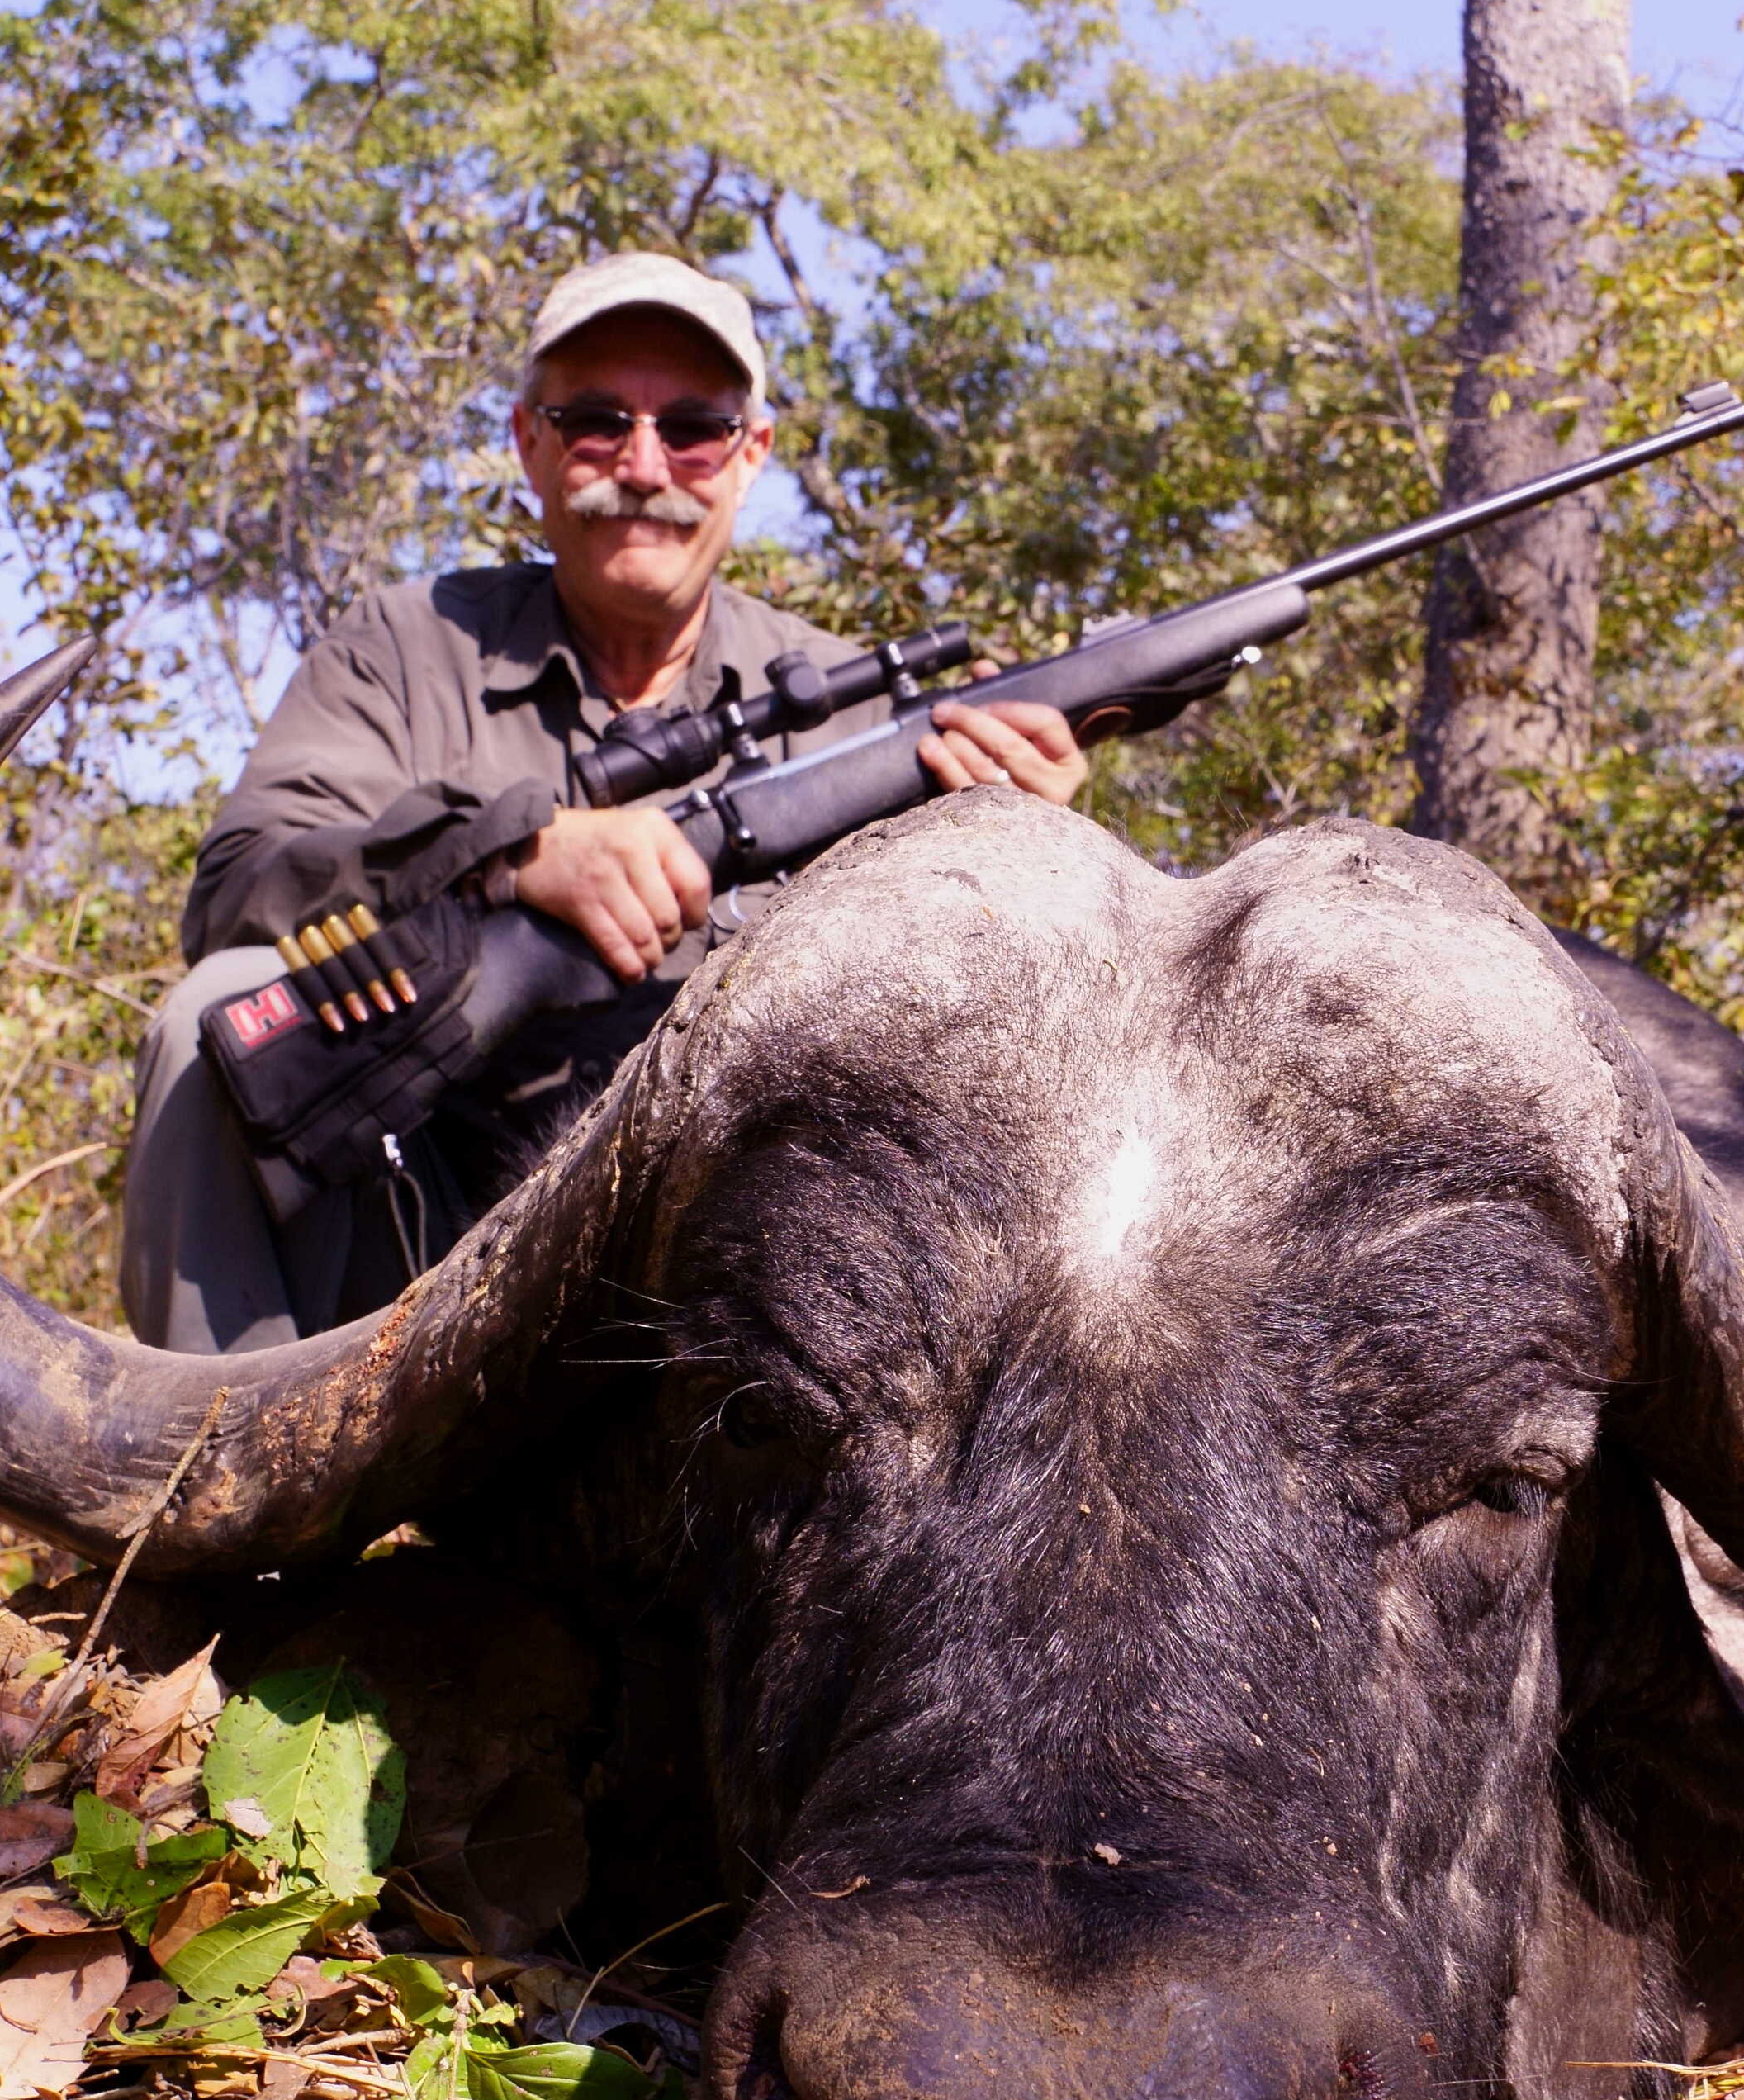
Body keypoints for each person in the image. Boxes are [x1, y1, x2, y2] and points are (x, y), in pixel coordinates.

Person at [118, 254, 1089, 1352]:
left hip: (758, 1278)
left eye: (691, 429)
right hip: (421, 1245)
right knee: (224, 1014)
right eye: (595, 422)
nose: (642, 465)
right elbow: (243, 883)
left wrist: (1028, 853)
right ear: (531, 441)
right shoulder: (404, 649)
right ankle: (213, 1492)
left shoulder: (859, 715)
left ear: (748, 454)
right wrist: (514, 855)